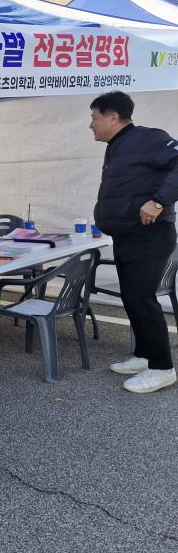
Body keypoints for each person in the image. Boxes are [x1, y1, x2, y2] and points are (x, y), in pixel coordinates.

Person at [91, 91, 178, 393]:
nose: (91, 125)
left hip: (149, 235)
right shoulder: (118, 146)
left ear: (113, 117)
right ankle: (145, 355)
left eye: (95, 118)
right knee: (131, 298)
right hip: (128, 235)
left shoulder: (148, 138)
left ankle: (162, 368)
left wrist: (158, 201)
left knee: (141, 299)